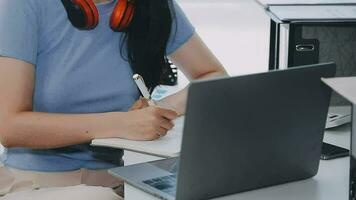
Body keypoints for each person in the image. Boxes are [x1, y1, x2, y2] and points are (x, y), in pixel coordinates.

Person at [0, 0, 227, 199]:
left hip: (117, 181)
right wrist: (120, 124)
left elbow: (213, 76)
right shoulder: (24, 4)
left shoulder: (154, 6)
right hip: (34, 183)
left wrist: (158, 111)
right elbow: (9, 127)